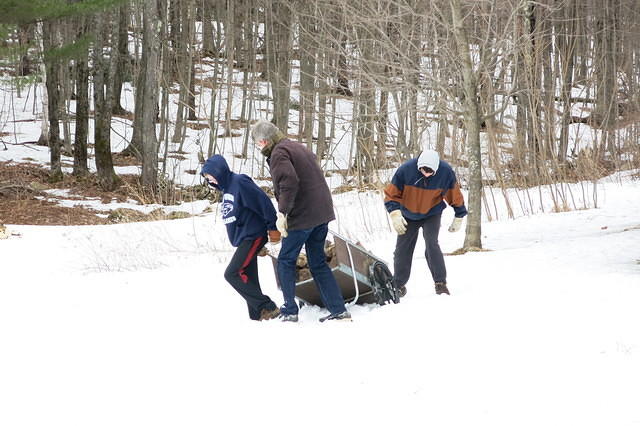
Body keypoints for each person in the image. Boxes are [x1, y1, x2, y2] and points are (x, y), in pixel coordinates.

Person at [250, 120, 351, 322]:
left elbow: (289, 182)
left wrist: (283, 213)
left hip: (303, 216)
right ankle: (339, 310)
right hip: (321, 213)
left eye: (257, 143)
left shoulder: (279, 153)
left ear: (264, 141)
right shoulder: (297, 147)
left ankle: (290, 310)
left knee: (285, 261)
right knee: (318, 263)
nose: (258, 147)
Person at [201, 154, 281, 321]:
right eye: (207, 178)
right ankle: (258, 314)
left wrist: (272, 228)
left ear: (219, 171)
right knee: (248, 276)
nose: (210, 181)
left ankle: (268, 306)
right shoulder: (226, 189)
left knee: (232, 273)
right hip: (244, 238)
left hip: (253, 235)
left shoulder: (239, 183)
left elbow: (263, 202)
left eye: (211, 176)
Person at [383, 149, 467, 296]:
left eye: (430, 172)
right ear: (418, 166)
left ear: (436, 168)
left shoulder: (445, 172)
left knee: (431, 244)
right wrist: (395, 213)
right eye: (423, 170)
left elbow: (454, 194)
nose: (426, 174)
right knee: (402, 249)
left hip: (432, 213)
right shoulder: (405, 170)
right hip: (408, 213)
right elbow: (391, 194)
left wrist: (459, 215)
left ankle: (440, 283)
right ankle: (398, 284)